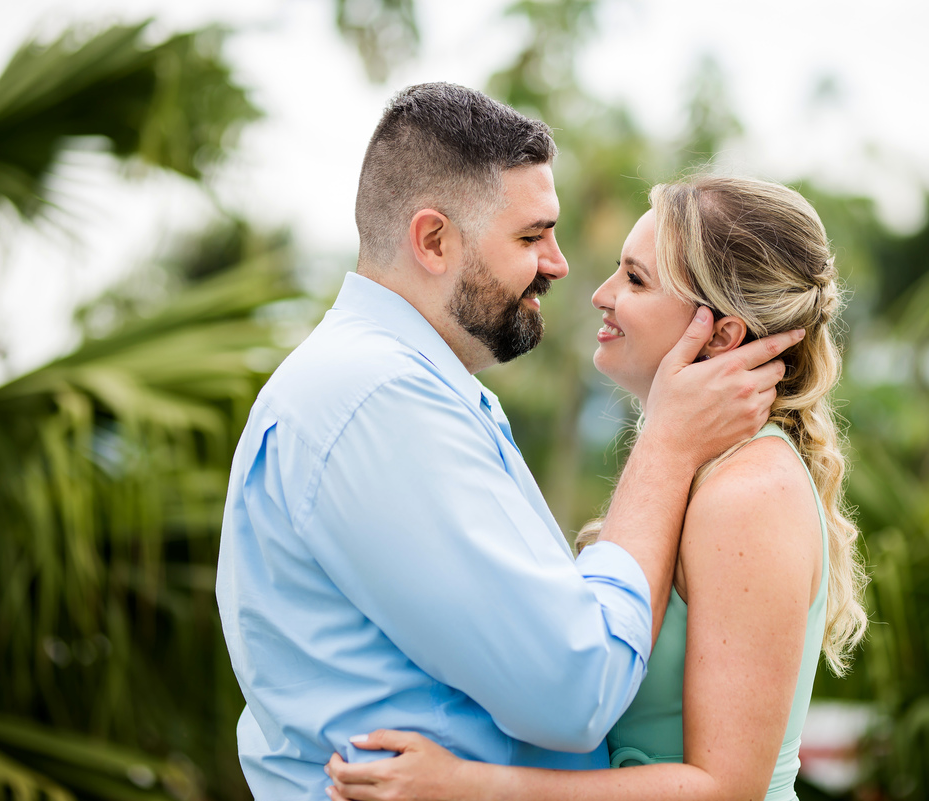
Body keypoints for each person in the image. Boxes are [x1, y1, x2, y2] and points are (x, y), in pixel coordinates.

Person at [216, 84, 801, 798]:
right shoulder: (382, 400)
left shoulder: (404, 389)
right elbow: (575, 685)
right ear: (433, 240)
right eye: (531, 236)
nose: (562, 267)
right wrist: (668, 445)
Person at [324, 175, 869, 801]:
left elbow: (725, 790)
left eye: (635, 280)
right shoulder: (696, 472)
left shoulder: (749, 491)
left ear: (719, 335)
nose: (601, 296)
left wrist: (463, 786)